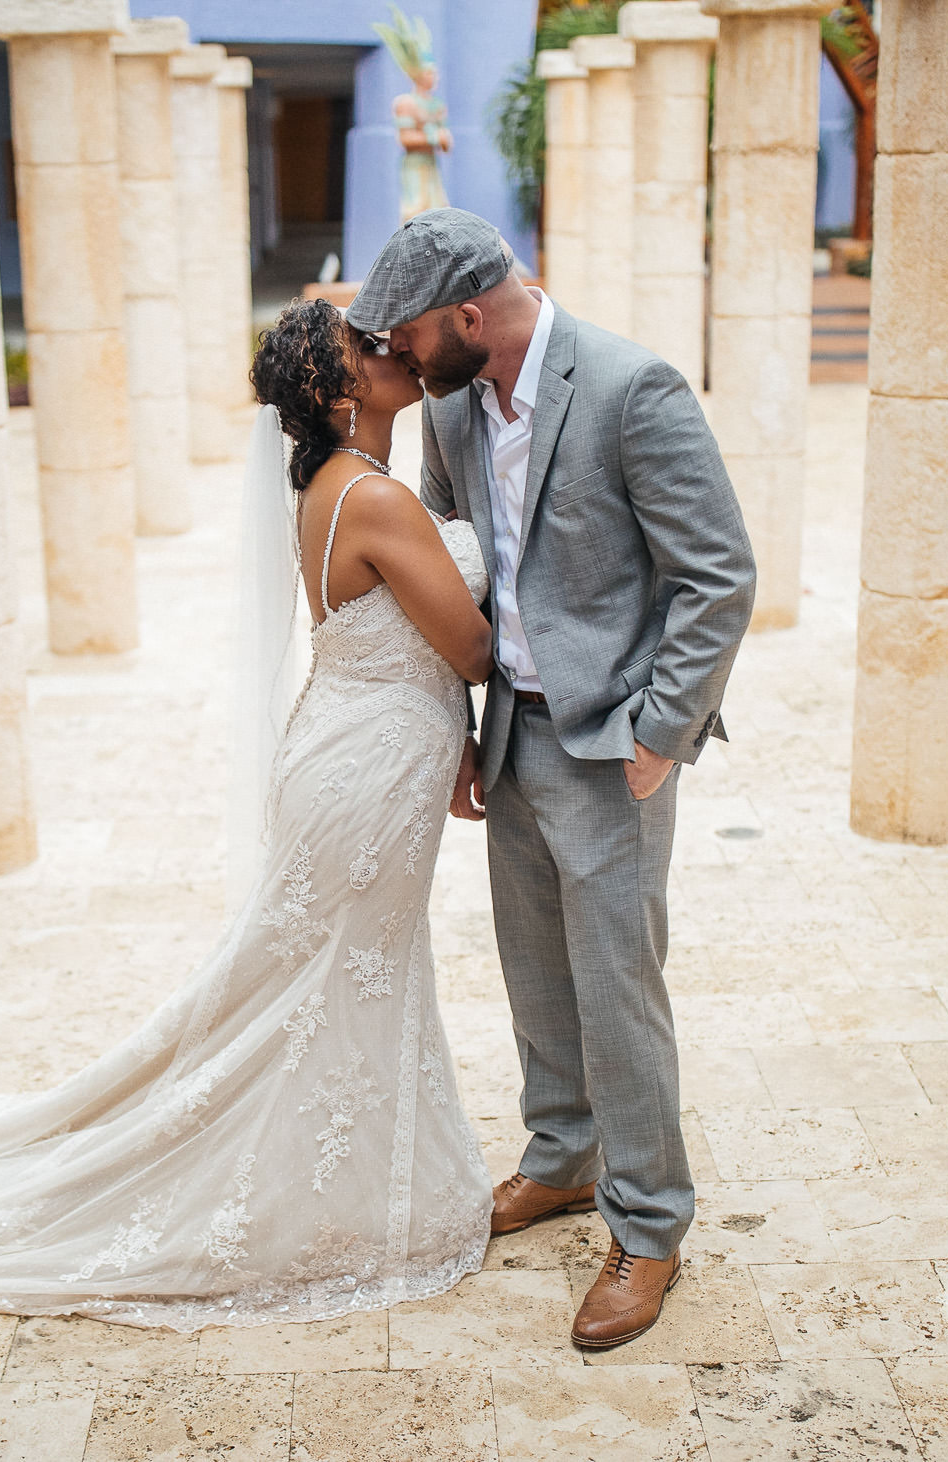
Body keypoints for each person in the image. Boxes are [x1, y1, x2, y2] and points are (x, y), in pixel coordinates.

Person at [0, 300, 499, 1332]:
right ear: (341, 395)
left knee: (343, 981)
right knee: (332, 983)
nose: (390, 352)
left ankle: (366, 1183)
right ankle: (324, 1197)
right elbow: (468, 647)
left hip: (366, 757)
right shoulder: (370, 497)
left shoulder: (347, 486)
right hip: (365, 775)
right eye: (365, 350)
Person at [346, 208, 756, 1349]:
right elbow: (461, 566)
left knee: (617, 984)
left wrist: (661, 733)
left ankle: (650, 1223)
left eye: (414, 335)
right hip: (511, 732)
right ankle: (564, 1159)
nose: (404, 359)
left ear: (470, 315)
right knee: (535, 968)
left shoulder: (634, 388)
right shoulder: (453, 406)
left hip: (614, 745)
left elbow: (718, 574)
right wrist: (462, 734)